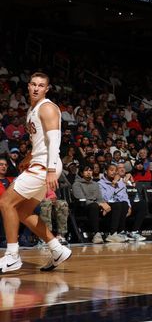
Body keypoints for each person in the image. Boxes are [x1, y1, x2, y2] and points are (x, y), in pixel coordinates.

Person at [0, 72, 71, 273]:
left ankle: (12, 255)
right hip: (39, 162)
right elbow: (40, 142)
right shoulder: (32, 110)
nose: (36, 88)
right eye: (33, 84)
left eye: (41, 85)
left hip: (45, 165)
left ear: (46, 89)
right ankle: (57, 249)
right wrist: (27, 158)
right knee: (23, 212)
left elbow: (54, 141)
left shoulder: (47, 107)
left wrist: (49, 170)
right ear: (28, 86)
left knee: (5, 202)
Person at [72, 165, 107, 244]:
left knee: (115, 205)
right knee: (94, 206)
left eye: (90, 170)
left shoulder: (95, 184)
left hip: (95, 206)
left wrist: (104, 205)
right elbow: (82, 199)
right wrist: (99, 204)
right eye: (86, 170)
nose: (88, 172)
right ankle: (96, 234)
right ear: (81, 173)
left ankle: (114, 233)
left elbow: (100, 198)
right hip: (82, 207)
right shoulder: (76, 184)